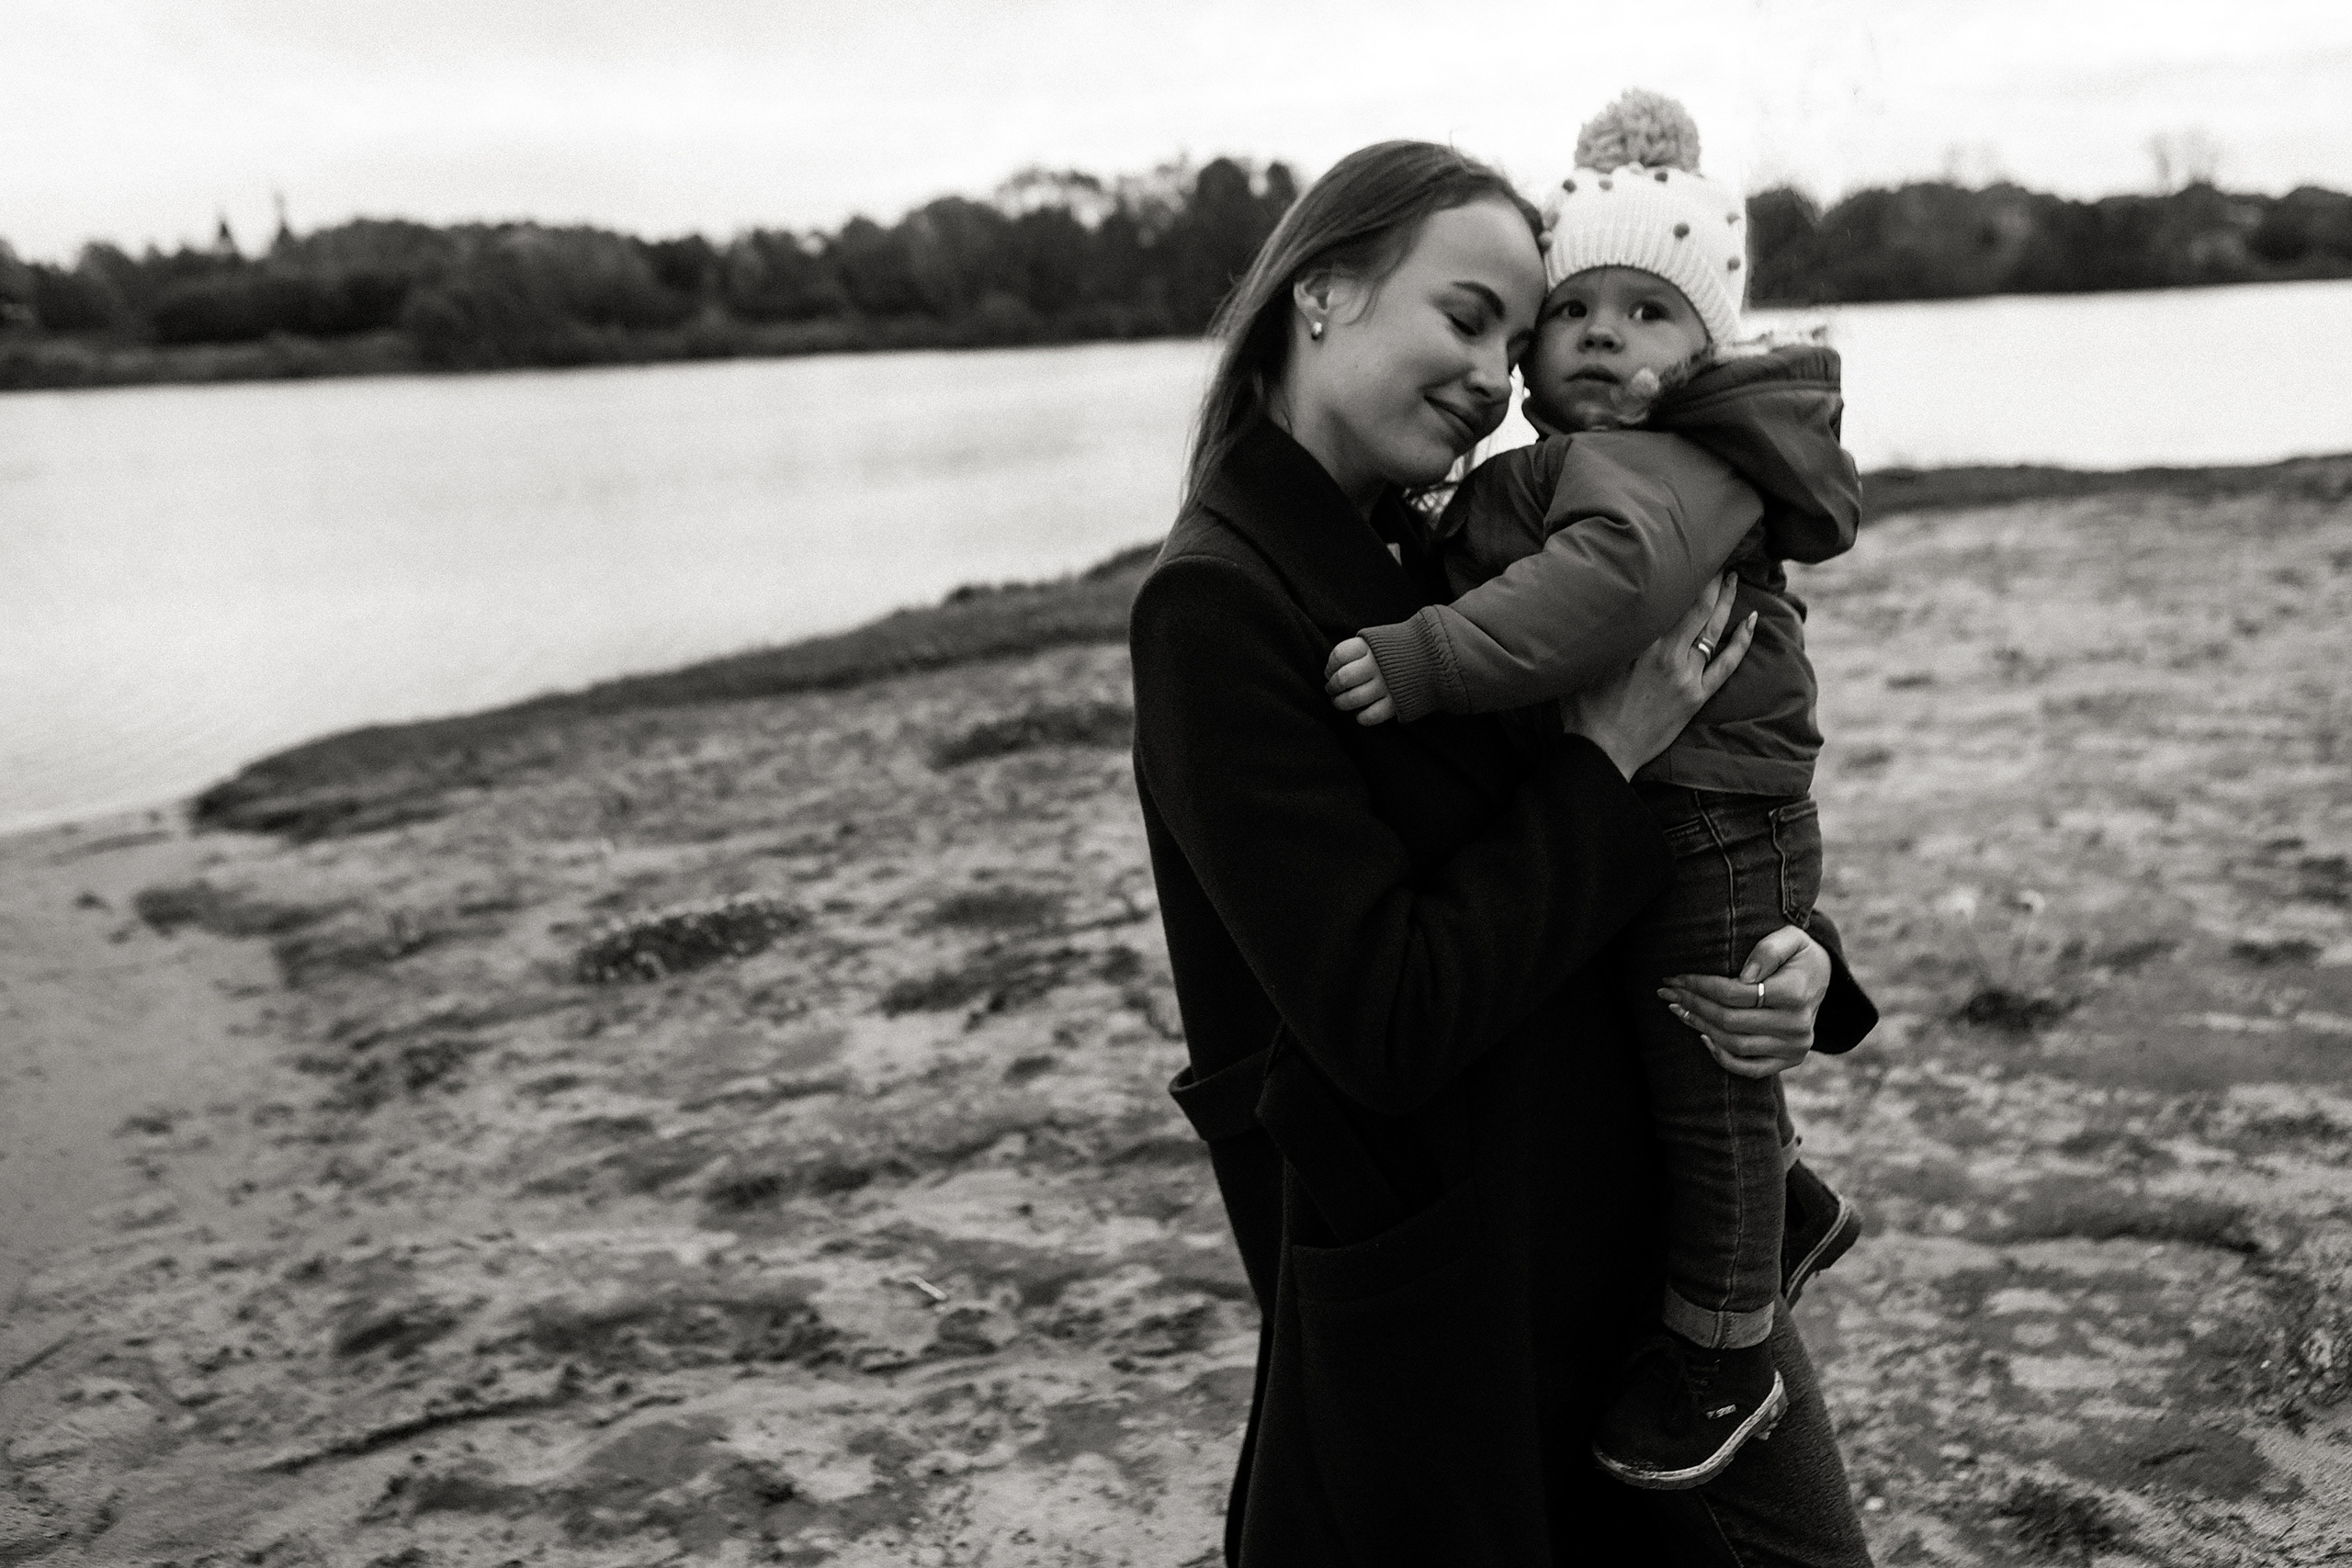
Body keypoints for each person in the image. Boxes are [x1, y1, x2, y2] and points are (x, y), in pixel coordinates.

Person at [1130, 136, 1878, 1565]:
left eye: (1512, 335)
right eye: (1466, 318)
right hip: (1455, 1293)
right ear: (1324, 294)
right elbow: (1385, 1013)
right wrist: (1606, 749)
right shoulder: (1215, 607)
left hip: (1643, 1239)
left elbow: (1700, 804)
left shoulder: (1459, 540)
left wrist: (1800, 964)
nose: (1497, 371)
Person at [1318, 90, 1865, 1491]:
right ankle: (1780, 1210)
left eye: (1649, 311)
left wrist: (1430, 653)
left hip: (1713, 813)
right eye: (1575, 313)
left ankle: (1726, 1344)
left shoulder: (1665, 470)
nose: (1603, 336)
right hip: (1682, 817)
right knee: (1688, 1045)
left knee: (1707, 1070)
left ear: (1705, 350)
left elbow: (1597, 592)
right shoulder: (1564, 462)